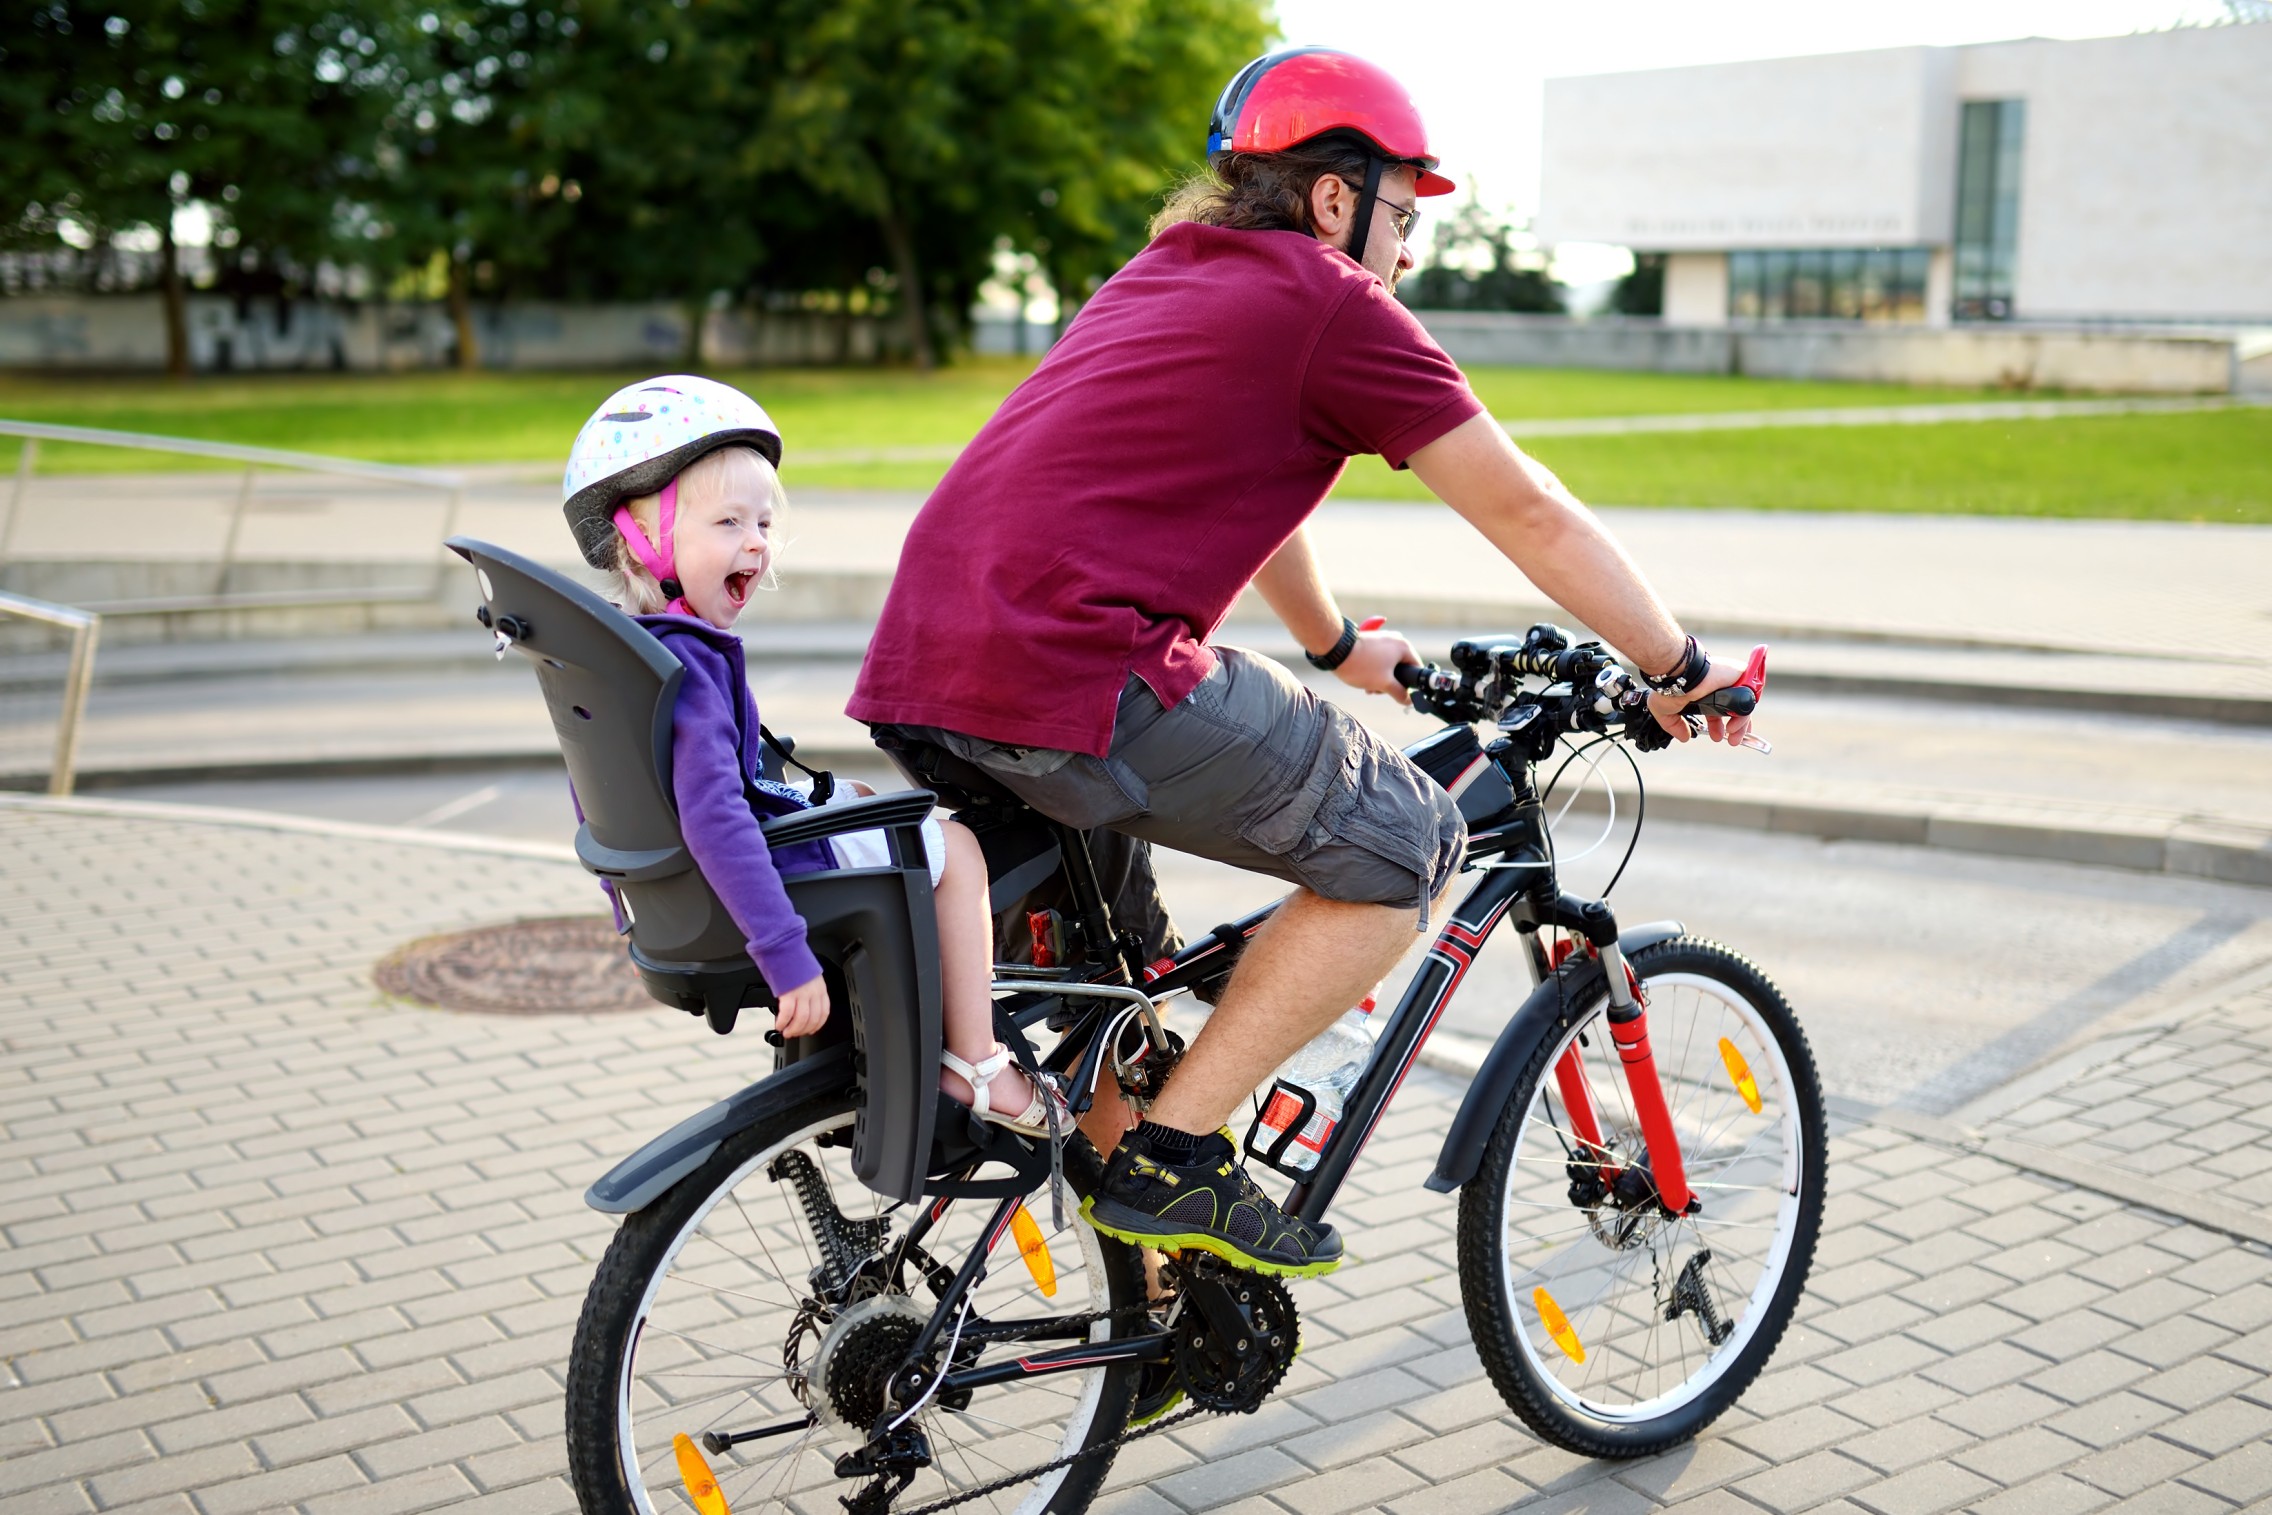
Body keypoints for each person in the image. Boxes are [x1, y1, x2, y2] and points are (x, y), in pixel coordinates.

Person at [848, 48, 1756, 1279]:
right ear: (1334, 197)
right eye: (1402, 208)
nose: (1409, 244)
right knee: (1406, 840)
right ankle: (1173, 1161)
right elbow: (1525, 509)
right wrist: (1678, 660)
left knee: (1124, 1002)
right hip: (1077, 674)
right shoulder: (1332, 303)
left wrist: (1334, 645)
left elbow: (1247, 481)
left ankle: (1156, 1320)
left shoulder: (1164, 275)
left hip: (929, 668)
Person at [561, 376, 1063, 1134]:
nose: (757, 542)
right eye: (729, 521)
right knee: (957, 850)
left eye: (763, 520)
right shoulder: (689, 670)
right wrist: (784, 952)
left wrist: (626, 901)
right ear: (639, 536)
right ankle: (979, 1062)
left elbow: (598, 794)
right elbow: (716, 813)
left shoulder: (630, 653)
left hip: (688, 893)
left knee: (866, 802)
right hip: (768, 881)